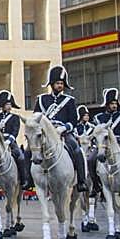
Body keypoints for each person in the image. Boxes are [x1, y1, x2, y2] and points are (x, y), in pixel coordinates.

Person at [33, 65, 88, 193]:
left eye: (62, 83)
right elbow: (36, 117)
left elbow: (73, 120)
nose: (60, 86)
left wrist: (63, 128)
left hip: (63, 132)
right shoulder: (42, 99)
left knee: (76, 150)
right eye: (57, 83)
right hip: (45, 133)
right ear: (52, 84)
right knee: (29, 151)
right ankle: (28, 180)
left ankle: (81, 181)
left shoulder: (69, 100)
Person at [0, 90, 32, 190]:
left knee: (21, 157)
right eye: (7, 104)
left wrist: (9, 141)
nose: (9, 106)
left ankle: (23, 180)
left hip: (10, 142)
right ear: (2, 105)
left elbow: (15, 131)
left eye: (10, 104)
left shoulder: (15, 117)